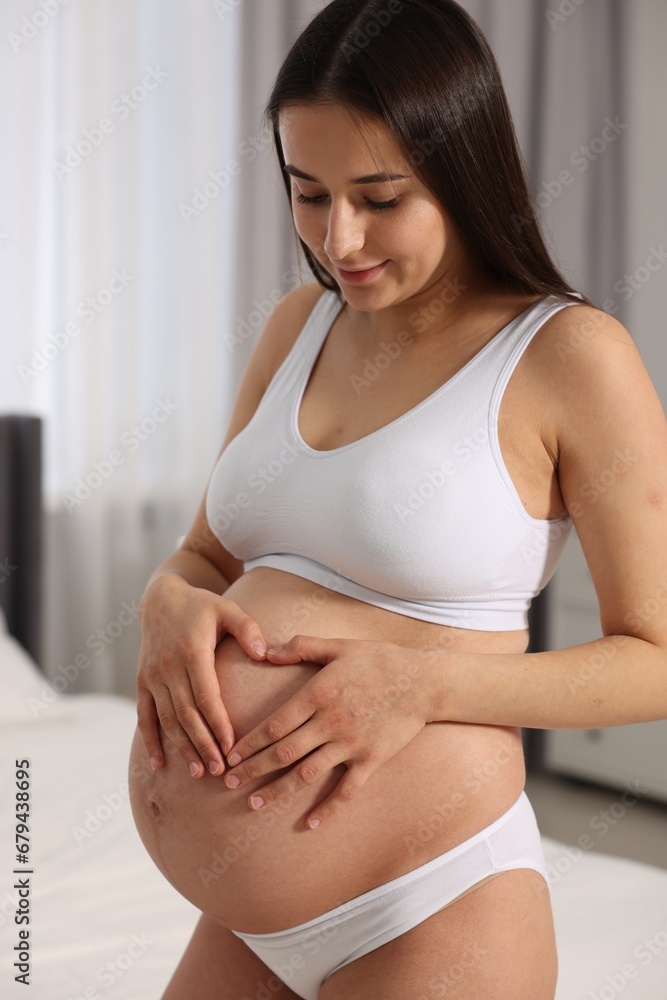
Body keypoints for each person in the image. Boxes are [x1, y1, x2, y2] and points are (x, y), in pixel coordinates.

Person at [127, 1, 667, 998]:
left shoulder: (567, 357)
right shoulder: (299, 325)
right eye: (308, 192)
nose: (338, 238)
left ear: (461, 172)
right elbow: (209, 551)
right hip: (247, 927)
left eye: (380, 197)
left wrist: (425, 683)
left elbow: (657, 658)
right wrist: (166, 596)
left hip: (429, 908)